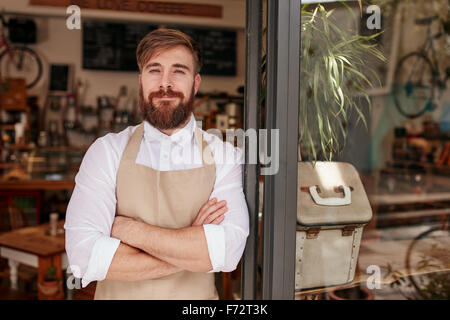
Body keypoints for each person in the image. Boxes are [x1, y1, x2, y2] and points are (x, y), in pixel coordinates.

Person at [64, 28, 249, 300]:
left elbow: (229, 253)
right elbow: (84, 258)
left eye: (179, 71)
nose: (165, 83)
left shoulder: (224, 156)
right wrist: (193, 245)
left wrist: (128, 230)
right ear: (141, 81)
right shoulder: (106, 152)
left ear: (195, 83)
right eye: (154, 70)